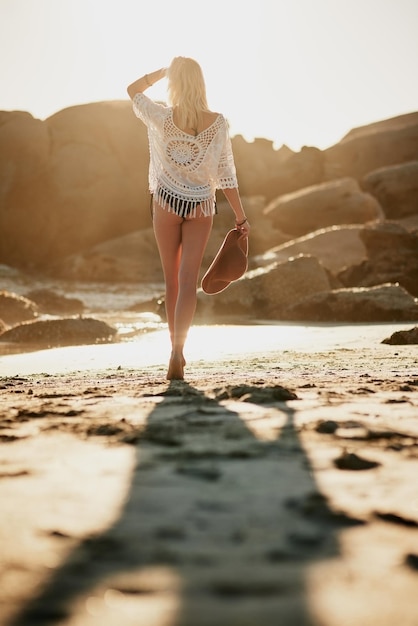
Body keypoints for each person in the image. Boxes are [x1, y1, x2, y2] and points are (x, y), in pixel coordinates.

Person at [127, 56, 250, 381]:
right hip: (200, 208)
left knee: (171, 281)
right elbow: (226, 174)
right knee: (187, 283)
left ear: (175, 84)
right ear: (201, 83)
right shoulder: (219, 122)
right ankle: (178, 352)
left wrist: (162, 71)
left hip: (166, 202)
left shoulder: (163, 117)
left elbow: (132, 90)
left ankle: (174, 352)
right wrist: (240, 216)